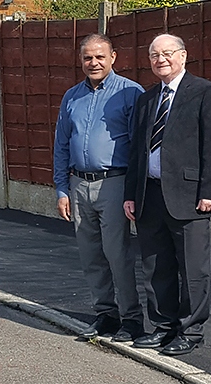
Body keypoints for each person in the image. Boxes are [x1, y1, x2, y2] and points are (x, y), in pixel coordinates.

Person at [124, 34, 211, 355]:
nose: (161, 59)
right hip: (149, 196)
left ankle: (192, 331)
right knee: (157, 266)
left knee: (193, 269)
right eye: (154, 55)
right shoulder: (146, 99)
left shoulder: (205, 92)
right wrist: (131, 194)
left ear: (183, 55)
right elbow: (137, 152)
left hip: (190, 197)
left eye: (167, 53)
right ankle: (163, 326)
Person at [54, 33, 145, 342]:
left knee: (118, 255)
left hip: (115, 184)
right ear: (81, 61)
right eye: (87, 58)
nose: (93, 62)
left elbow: (139, 148)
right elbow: (61, 144)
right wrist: (61, 189)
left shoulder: (131, 93)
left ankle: (132, 318)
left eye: (99, 57)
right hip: (78, 185)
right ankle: (105, 314)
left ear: (113, 57)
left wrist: (133, 191)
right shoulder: (71, 97)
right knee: (91, 255)